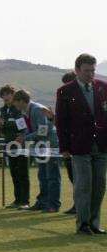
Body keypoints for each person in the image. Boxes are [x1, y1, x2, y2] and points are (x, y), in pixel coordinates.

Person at [56, 54, 107, 235]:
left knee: (100, 186)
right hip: (79, 146)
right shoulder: (65, 91)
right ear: (77, 70)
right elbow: (61, 122)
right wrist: (64, 147)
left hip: (101, 145)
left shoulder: (103, 87)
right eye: (87, 71)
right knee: (83, 185)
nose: (91, 74)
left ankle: (94, 222)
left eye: (93, 70)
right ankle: (83, 224)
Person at [12, 89, 61, 213]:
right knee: (42, 175)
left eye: (16, 102)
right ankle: (42, 202)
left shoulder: (37, 109)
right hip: (40, 146)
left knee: (52, 176)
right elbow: (31, 129)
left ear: (22, 101)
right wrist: (23, 136)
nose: (15, 105)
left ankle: (53, 204)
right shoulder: (25, 112)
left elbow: (43, 130)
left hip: (50, 144)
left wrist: (25, 138)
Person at [0, 85, 30, 210]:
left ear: (13, 95)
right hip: (9, 144)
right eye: (3, 95)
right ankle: (17, 200)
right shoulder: (3, 110)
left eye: (8, 94)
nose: (5, 97)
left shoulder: (18, 109)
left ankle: (25, 201)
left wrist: (6, 123)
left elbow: (23, 127)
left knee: (22, 173)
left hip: (20, 144)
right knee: (14, 173)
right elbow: (3, 130)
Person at [59, 71, 77, 215]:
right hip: (68, 147)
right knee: (73, 178)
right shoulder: (65, 101)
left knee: (80, 179)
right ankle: (77, 204)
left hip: (79, 146)